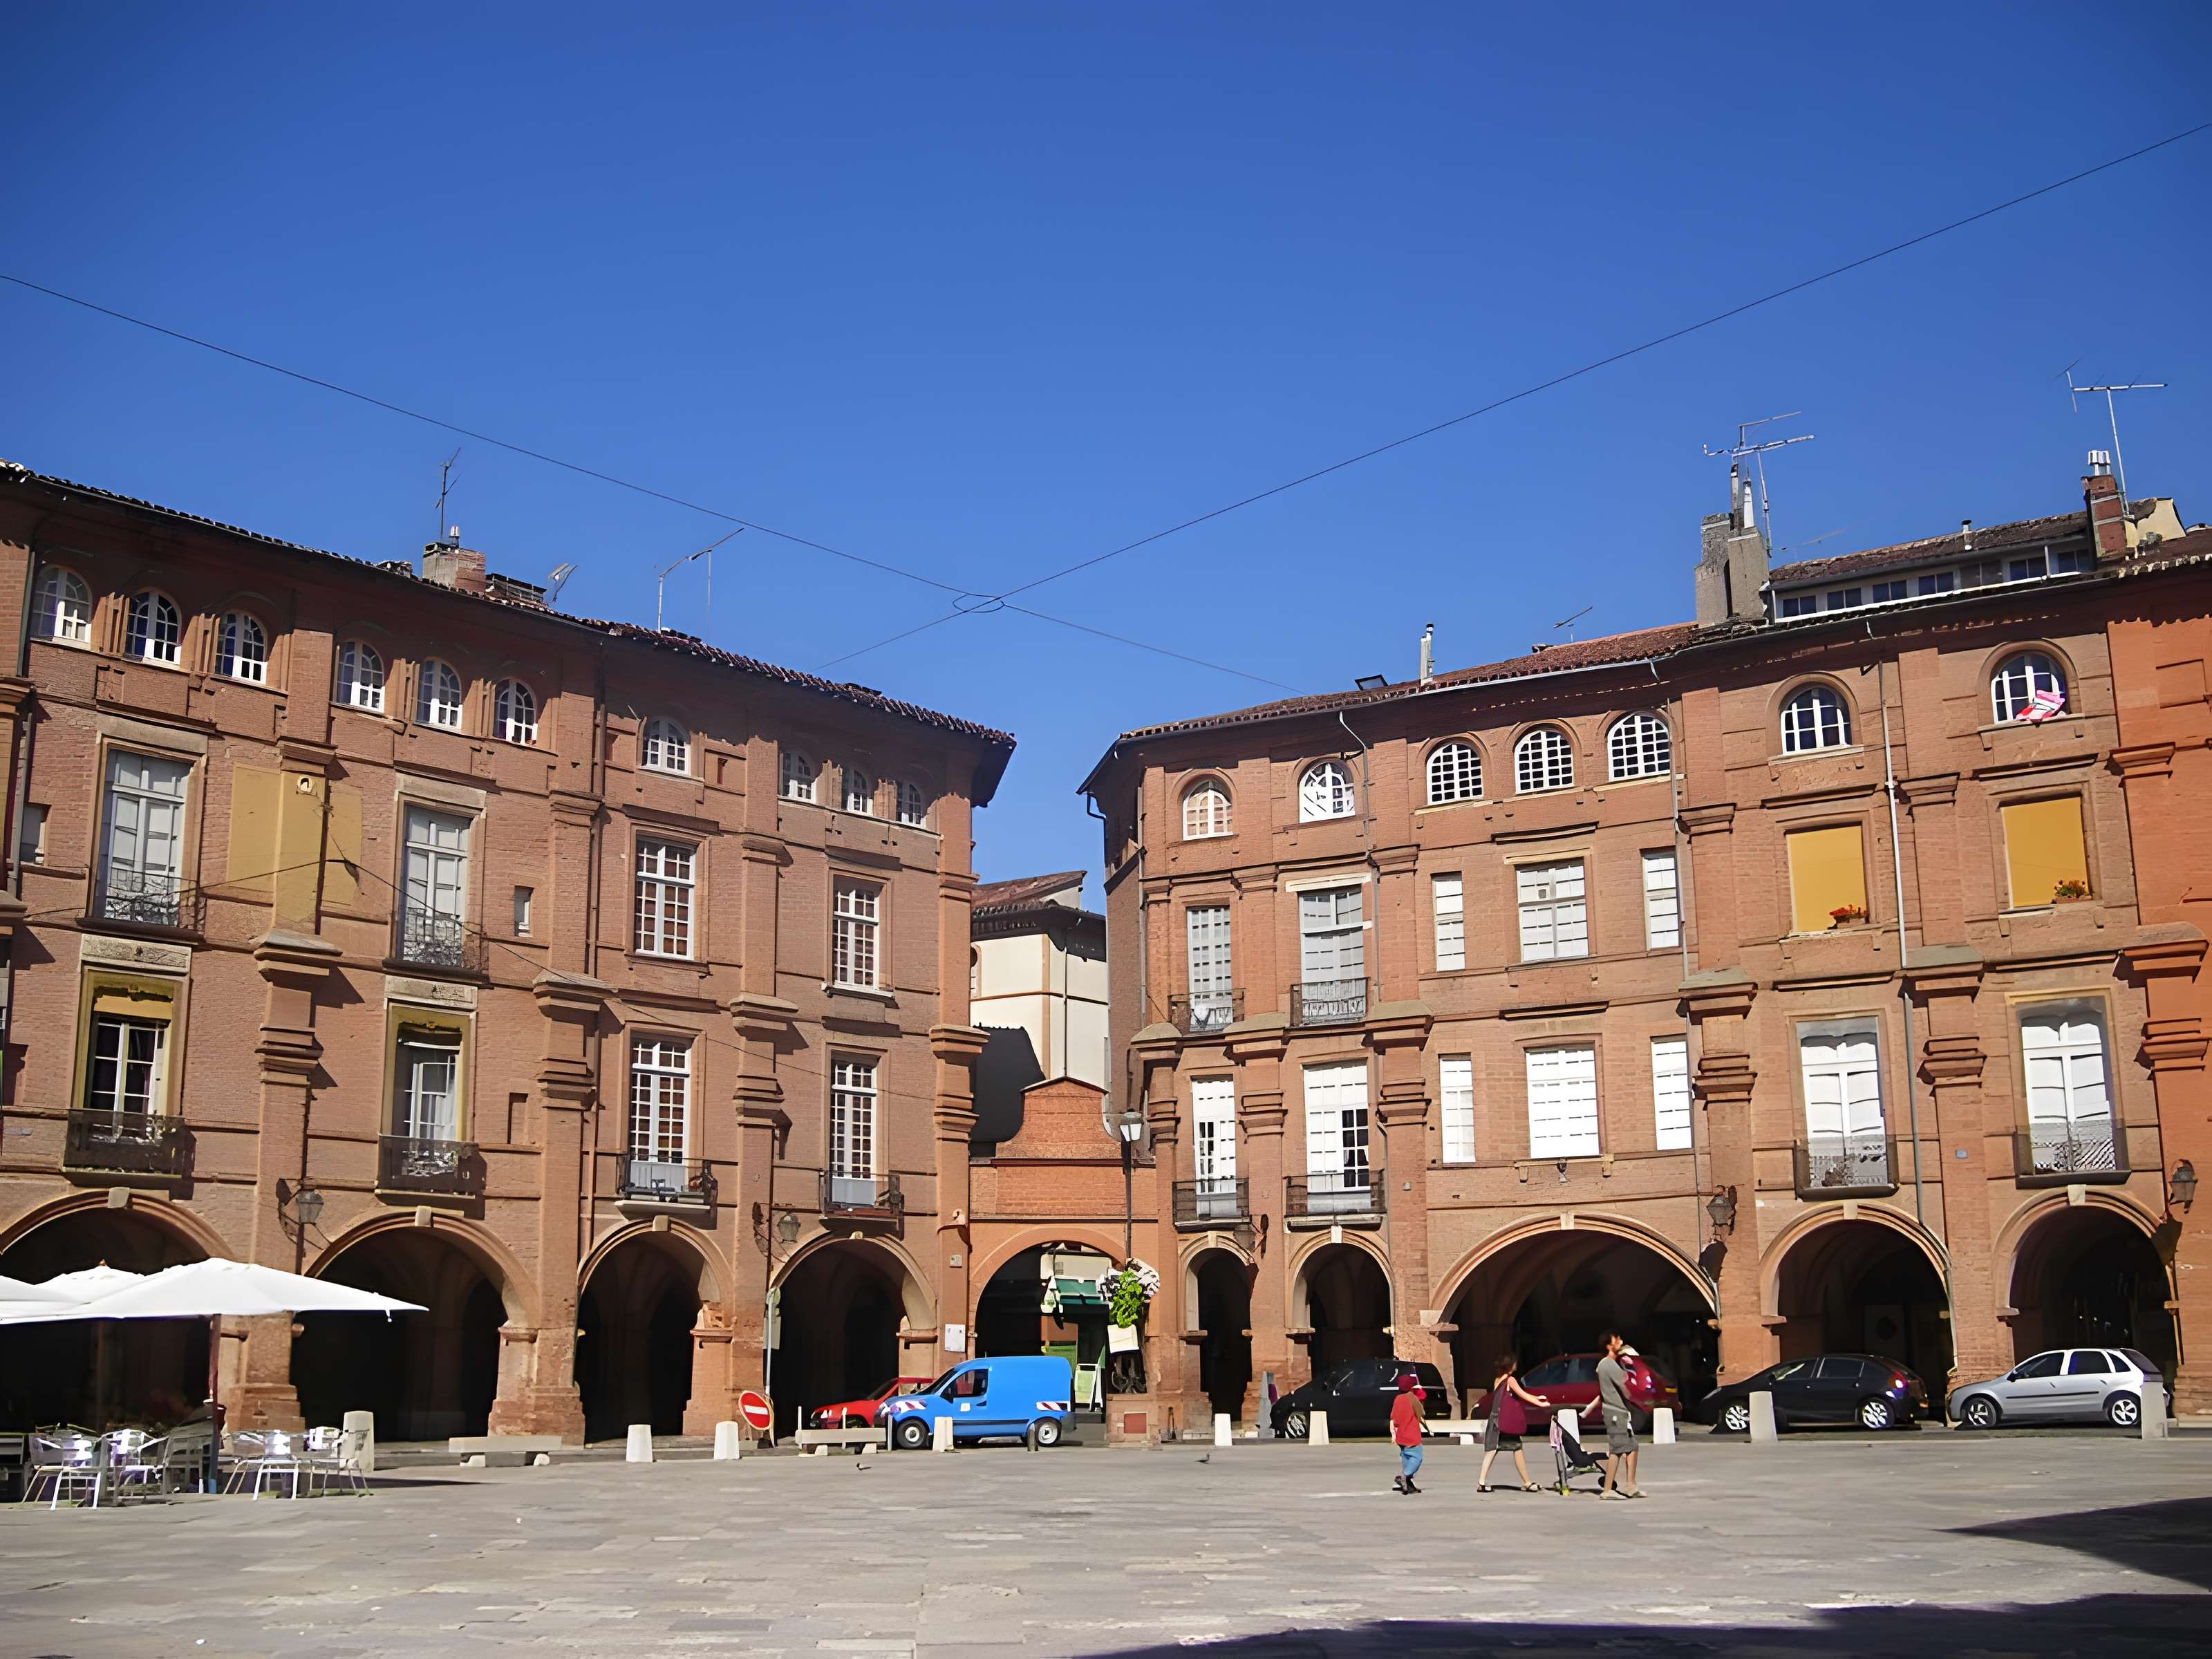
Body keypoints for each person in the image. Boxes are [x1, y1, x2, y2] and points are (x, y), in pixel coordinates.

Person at [1476, 1353, 1550, 1493]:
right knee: (1517, 1448)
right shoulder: (1510, 1380)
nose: (1517, 1365)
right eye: (1515, 1363)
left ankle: (1482, 1482)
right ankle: (1527, 1482)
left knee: (1493, 1450)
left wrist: (1537, 1398)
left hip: (1495, 1421)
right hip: (1505, 1424)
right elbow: (1522, 1394)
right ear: (1510, 1365)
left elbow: (1520, 1394)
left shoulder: (1498, 1379)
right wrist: (1541, 1404)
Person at [1596, 1330, 1642, 1499]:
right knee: (1617, 1450)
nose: (1621, 1342)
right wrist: (1632, 1365)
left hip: (1620, 1412)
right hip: (1615, 1414)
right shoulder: (1608, 1364)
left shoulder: (1609, 1364)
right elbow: (1627, 1386)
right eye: (1617, 1340)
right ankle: (1607, 1490)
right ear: (1609, 1346)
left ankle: (1630, 1486)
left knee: (1633, 1447)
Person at [1389, 1371, 1426, 1495]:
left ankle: (1408, 1485)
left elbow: (1395, 1419)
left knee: (1406, 1458)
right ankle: (1404, 1476)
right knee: (1417, 1457)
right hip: (1412, 1434)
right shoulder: (1412, 1398)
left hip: (1401, 1435)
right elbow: (1422, 1412)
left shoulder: (1397, 1399)